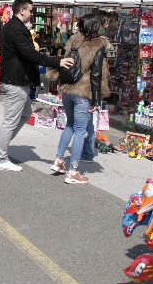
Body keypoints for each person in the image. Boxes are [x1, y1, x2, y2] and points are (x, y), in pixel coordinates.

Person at [0, 0, 74, 171]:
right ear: (22, 10)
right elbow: (30, 54)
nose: (32, 13)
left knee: (25, 114)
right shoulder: (15, 28)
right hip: (16, 79)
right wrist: (57, 61)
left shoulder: (14, 27)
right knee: (11, 119)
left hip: (17, 78)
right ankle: (0, 157)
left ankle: (0, 146)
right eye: (30, 10)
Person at [47, 14, 112, 183]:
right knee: (80, 131)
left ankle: (58, 160)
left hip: (68, 90)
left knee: (69, 125)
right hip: (83, 92)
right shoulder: (98, 45)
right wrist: (97, 100)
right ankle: (73, 171)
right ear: (95, 27)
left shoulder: (74, 41)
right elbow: (96, 75)